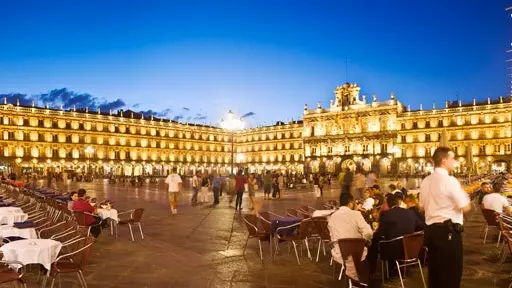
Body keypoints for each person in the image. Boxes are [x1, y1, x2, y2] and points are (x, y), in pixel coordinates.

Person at [419, 147, 471, 288]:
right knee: (451, 274)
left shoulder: (425, 182)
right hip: (448, 233)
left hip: (431, 232)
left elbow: (421, 207)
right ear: (443, 161)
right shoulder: (450, 181)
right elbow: (466, 206)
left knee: (435, 273)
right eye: (452, 159)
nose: (454, 162)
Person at [368, 193, 425, 274]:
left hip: (394, 251)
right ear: (399, 203)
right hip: (411, 249)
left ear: (388, 204)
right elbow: (421, 226)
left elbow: (380, 234)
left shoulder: (386, 214)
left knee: (373, 242)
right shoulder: (410, 213)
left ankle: (371, 272)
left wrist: (373, 233)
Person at [328, 194, 372, 281]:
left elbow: (332, 236)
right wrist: (364, 240)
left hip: (340, 254)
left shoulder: (332, 217)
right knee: (370, 247)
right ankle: (365, 277)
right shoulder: (356, 214)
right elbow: (368, 233)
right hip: (357, 253)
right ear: (351, 202)